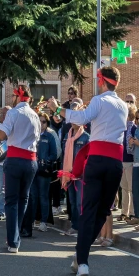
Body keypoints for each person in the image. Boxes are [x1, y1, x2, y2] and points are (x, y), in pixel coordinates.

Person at [47, 66, 127, 276]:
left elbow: (79, 119)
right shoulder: (123, 105)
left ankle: (82, 260)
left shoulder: (100, 101)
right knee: (103, 211)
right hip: (115, 163)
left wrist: (57, 109)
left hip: (98, 160)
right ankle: (80, 255)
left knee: (89, 210)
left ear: (102, 81)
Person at [0, 86, 40, 252]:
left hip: (15, 159)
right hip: (31, 161)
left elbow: (2, 135)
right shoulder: (35, 115)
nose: (11, 99)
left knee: (11, 201)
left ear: (18, 97)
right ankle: (16, 236)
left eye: (13, 96)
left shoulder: (14, 113)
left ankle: (13, 241)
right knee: (23, 199)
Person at [22, 113, 58, 235]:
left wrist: (46, 161)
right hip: (33, 169)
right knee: (32, 196)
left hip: (44, 170)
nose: (42, 124)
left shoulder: (50, 135)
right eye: (40, 121)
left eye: (44, 122)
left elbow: (54, 153)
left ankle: (43, 221)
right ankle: (31, 221)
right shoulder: (34, 134)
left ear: (47, 123)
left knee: (43, 196)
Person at [59, 101, 90, 237]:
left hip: (80, 176)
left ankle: (82, 227)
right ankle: (75, 226)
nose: (72, 121)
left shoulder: (86, 137)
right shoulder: (68, 136)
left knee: (79, 202)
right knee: (71, 202)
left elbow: (87, 159)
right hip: (68, 173)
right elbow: (64, 155)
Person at [119, 95, 136, 222]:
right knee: (124, 188)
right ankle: (124, 212)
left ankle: (132, 213)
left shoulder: (134, 128)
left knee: (131, 188)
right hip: (121, 160)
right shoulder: (122, 127)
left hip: (130, 161)